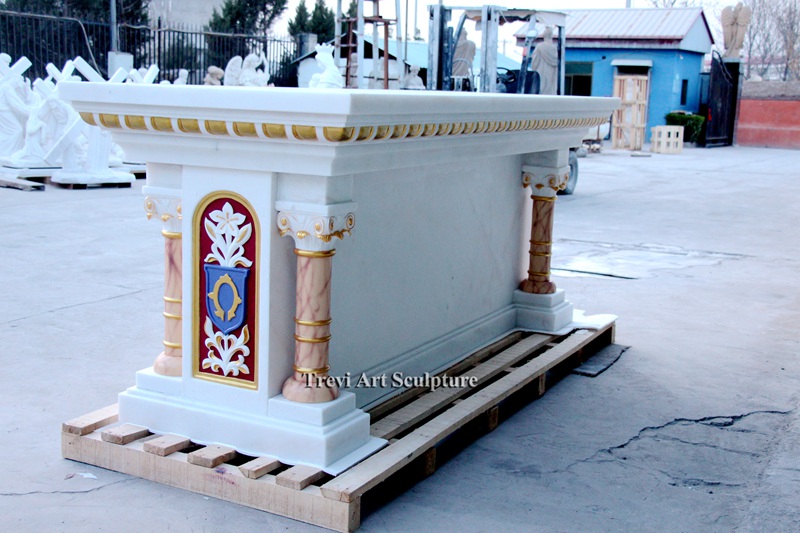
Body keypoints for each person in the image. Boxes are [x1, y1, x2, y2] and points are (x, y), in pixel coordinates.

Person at [529, 26, 559, 95]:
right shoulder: (554, 48)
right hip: (551, 74)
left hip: (540, 72)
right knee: (549, 88)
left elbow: (534, 62)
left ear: (544, 35)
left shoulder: (540, 46)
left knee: (541, 87)